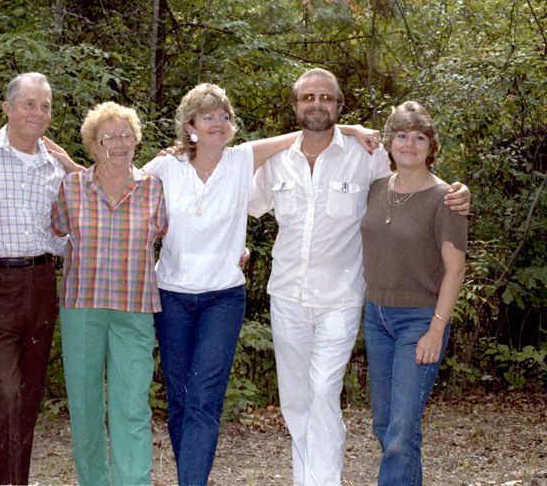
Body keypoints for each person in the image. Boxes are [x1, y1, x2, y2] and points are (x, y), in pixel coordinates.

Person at [142, 83, 378, 485]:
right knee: (183, 399)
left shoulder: (244, 161)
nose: (218, 123)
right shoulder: (169, 167)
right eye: (207, 117)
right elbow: (122, 186)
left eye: (224, 117)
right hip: (179, 295)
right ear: (190, 126)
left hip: (237, 296)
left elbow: (315, 134)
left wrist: (353, 130)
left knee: (212, 398)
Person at [249, 68, 470, 486]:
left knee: (324, 393)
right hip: (288, 296)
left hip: (344, 300)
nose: (317, 104)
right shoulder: (278, 161)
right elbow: (233, 198)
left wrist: (460, 192)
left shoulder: (365, 157)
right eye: (308, 98)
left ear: (339, 105)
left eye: (327, 98)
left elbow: (415, 176)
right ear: (295, 105)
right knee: (296, 401)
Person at [0, 72, 80, 485]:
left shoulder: (55, 166)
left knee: (28, 398)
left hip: (41, 283)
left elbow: (70, 232)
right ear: (7, 108)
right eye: (29, 103)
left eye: (44, 106)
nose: (37, 113)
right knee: (6, 394)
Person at [50, 102, 168, 486]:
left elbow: (171, 235)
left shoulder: (154, 188)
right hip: (82, 307)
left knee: (132, 406)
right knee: (85, 406)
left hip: (135, 309)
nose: (118, 143)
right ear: (94, 145)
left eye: (125, 135)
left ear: (136, 139)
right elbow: (56, 230)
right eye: (108, 137)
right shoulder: (71, 187)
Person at [360, 101, 466, 485]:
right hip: (376, 318)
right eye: (402, 135)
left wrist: (436, 330)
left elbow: (455, 268)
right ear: (389, 143)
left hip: (419, 322)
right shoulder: (374, 189)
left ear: (431, 146)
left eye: (419, 137)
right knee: (386, 425)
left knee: (401, 434)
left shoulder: (446, 199)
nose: (409, 144)